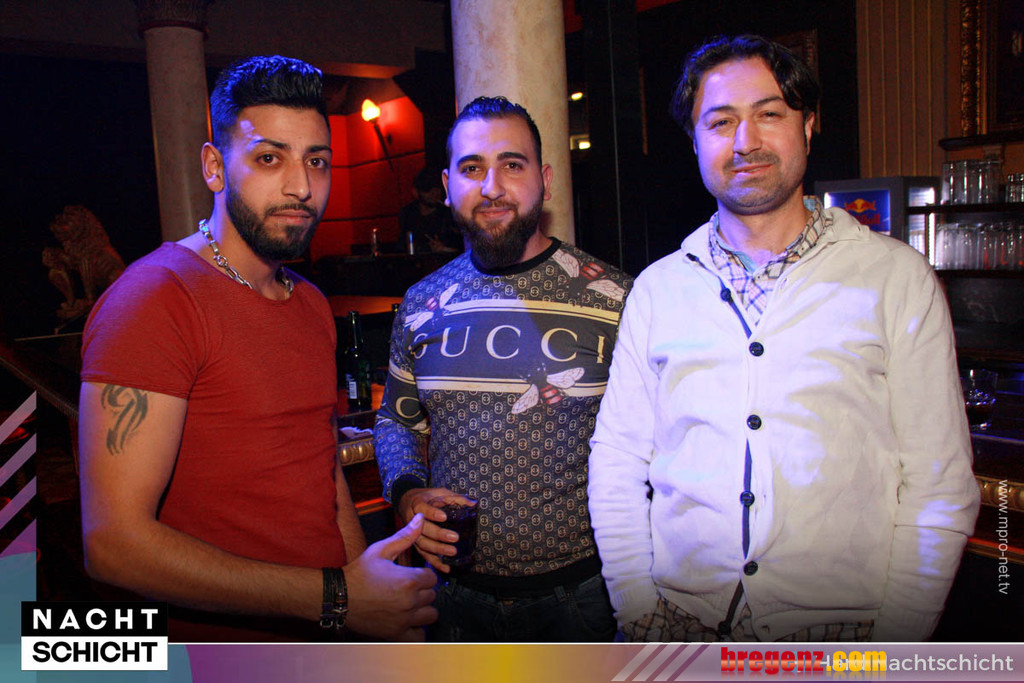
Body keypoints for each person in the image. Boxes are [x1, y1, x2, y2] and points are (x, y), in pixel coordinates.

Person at [587, 35, 980, 643]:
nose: (745, 141)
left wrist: (898, 642)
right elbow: (617, 461)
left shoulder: (895, 278)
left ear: (808, 125)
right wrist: (637, 608)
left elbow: (940, 483)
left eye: (769, 114)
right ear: (695, 141)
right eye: (720, 122)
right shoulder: (658, 289)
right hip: (675, 625)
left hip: (842, 634)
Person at [78, 55, 437, 642]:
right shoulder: (155, 299)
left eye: (316, 161)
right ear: (214, 167)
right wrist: (338, 598)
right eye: (270, 158)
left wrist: (367, 609)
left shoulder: (309, 302)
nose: (301, 187)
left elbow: (323, 476)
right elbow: (113, 545)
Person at [374, 96, 633, 641]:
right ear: (447, 186)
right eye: (472, 168)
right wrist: (407, 493)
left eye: (512, 165)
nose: (491, 187)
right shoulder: (422, 303)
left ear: (545, 180)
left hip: (582, 599)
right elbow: (397, 420)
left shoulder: (615, 299)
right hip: (453, 599)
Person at [398, 168, 462, 253]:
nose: (434, 193)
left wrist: (445, 249)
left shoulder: (450, 215)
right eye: (428, 189)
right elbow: (401, 247)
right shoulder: (408, 215)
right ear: (416, 192)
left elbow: (465, 248)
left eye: (437, 188)